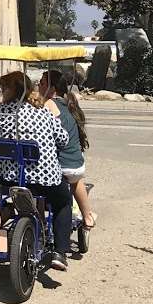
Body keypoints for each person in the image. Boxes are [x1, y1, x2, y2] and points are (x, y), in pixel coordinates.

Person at [0, 70, 72, 271]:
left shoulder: (1, 113)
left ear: (9, 90)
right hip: (47, 179)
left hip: (12, 179)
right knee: (63, 202)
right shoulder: (43, 111)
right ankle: (60, 252)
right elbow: (64, 139)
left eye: (3, 88)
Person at [41, 70, 96, 232]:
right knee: (76, 181)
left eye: (42, 83)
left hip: (59, 166)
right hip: (76, 165)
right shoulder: (69, 105)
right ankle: (87, 215)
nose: (38, 86)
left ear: (52, 88)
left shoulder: (49, 104)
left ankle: (40, 221)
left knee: (36, 178)